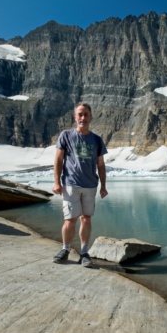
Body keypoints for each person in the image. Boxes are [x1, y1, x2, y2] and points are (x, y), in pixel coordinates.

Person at [52, 102, 108, 267]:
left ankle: (84, 252)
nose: (83, 117)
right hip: (71, 184)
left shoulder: (97, 140)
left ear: (91, 117)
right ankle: (65, 249)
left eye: (86, 114)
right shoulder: (66, 135)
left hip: (90, 185)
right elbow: (58, 160)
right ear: (75, 117)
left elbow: (101, 165)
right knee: (70, 219)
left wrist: (103, 186)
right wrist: (56, 182)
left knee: (86, 219)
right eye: (80, 114)